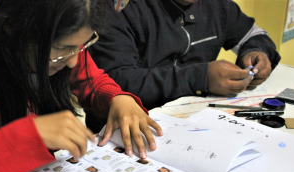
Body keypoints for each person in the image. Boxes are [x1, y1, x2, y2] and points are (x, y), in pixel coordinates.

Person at [0, 0, 163, 172]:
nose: (73, 61)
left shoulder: (64, 45)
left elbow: (91, 81)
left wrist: (117, 99)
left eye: (81, 46)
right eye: (63, 49)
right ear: (14, 25)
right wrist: (32, 136)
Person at [86, 0, 281, 133]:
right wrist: (199, 78)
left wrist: (257, 51)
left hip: (194, 124)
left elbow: (253, 35)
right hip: (128, 129)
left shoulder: (217, 5)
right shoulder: (119, 8)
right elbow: (112, 82)